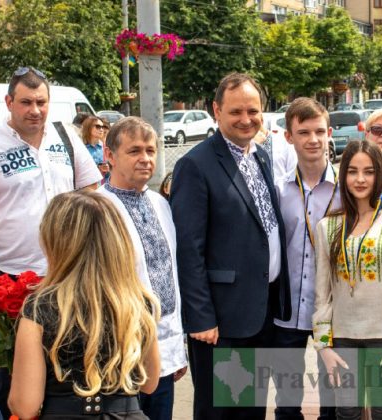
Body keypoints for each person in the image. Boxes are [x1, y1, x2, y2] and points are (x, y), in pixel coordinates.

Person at [170, 72, 291, 420]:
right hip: (220, 321)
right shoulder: (196, 165)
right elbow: (188, 251)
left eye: (253, 111)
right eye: (236, 111)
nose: (245, 119)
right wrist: (201, 317)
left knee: (251, 409)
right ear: (216, 111)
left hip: (262, 310)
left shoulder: (261, 157)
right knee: (220, 411)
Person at [0, 67, 101, 417]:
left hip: (69, 276)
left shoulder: (65, 137)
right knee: (16, 382)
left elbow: (91, 192)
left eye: (41, 102)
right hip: (13, 284)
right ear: (9, 102)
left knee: (66, 371)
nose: (34, 110)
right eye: (25, 102)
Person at [8, 190, 161, 419]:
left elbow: (25, 405)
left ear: (56, 243)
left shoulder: (41, 308)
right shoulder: (138, 301)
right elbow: (149, 383)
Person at [312, 140, 382, 420]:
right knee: (346, 412)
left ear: (379, 175)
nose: (360, 179)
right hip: (343, 337)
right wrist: (324, 347)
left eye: (368, 172)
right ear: (343, 175)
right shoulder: (328, 226)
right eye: (352, 171)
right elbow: (322, 293)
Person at [98, 117, 187, 420]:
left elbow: (169, 277)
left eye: (151, 150)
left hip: (162, 352)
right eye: (134, 151)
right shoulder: (96, 209)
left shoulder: (161, 204)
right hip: (119, 352)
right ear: (109, 156)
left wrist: (177, 350)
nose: (146, 159)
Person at [271, 97, 339, 420]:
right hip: (287, 311)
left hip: (333, 311)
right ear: (289, 137)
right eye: (303, 132)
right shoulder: (279, 190)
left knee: (335, 400)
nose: (313, 139)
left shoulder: (347, 190)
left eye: (319, 131)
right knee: (286, 402)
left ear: (329, 134)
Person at [82, 116, 110, 182]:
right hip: (88, 187)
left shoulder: (106, 147)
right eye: (98, 126)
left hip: (104, 186)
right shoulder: (81, 148)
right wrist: (97, 168)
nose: (101, 129)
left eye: (102, 127)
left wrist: (109, 168)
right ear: (88, 128)